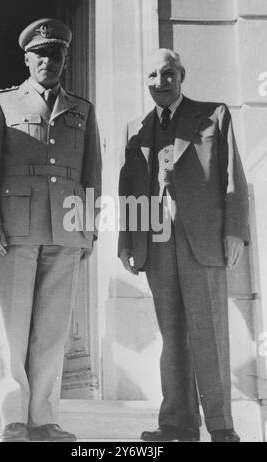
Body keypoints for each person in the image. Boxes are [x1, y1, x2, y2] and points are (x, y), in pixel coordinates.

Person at [0, 18, 102, 442]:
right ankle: (14, 420)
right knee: (12, 326)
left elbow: (91, 174)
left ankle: (44, 419)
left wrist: (89, 230)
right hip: (14, 230)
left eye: (57, 54)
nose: (49, 61)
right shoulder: (1, 103)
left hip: (66, 231)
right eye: (41, 54)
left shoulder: (82, 109)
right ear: (27, 58)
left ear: (65, 59)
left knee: (52, 329)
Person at [118, 48, 249, 442]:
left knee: (208, 333)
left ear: (182, 75)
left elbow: (232, 178)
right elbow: (130, 189)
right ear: (146, 82)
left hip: (204, 241)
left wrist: (233, 231)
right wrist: (127, 240)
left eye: (169, 73)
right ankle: (176, 423)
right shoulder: (136, 128)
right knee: (171, 336)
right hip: (156, 244)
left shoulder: (213, 115)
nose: (161, 82)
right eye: (153, 76)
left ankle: (222, 427)